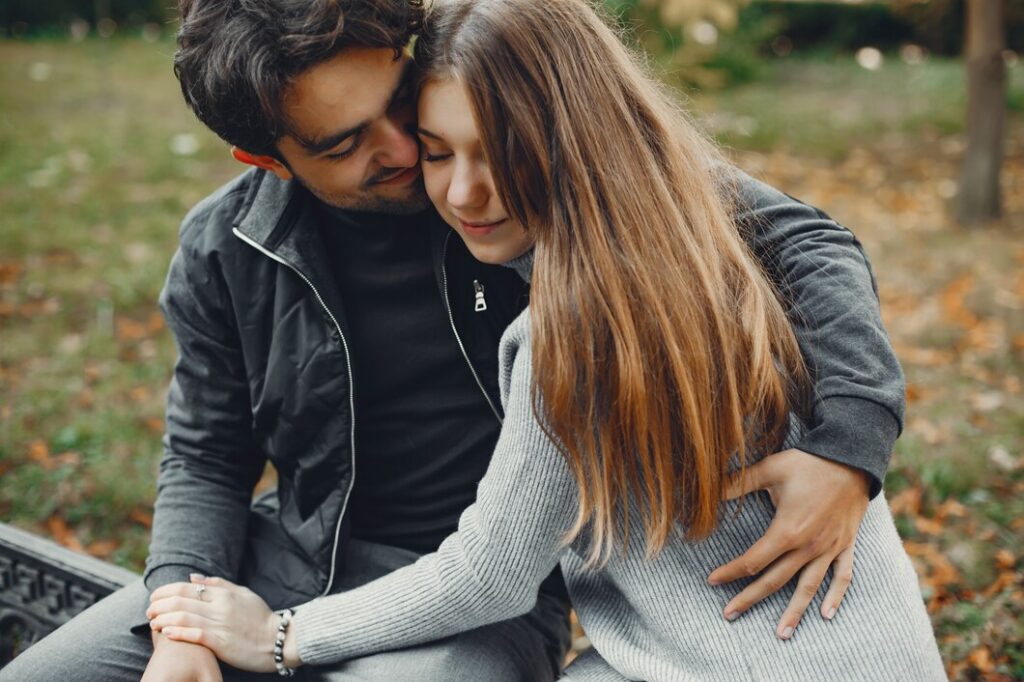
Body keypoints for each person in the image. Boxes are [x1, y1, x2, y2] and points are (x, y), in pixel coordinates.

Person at [2, 0, 907, 680]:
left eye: (401, 103)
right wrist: (180, 622)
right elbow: (204, 453)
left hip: (480, 584)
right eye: (348, 141)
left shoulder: (523, 171)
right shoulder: (223, 247)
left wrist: (850, 444)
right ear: (267, 158)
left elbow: (801, 238)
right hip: (293, 557)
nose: (407, 147)